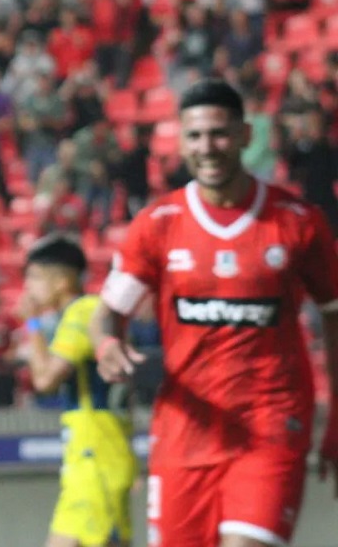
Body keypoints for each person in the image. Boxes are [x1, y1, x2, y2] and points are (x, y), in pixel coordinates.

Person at [92, 79, 338, 547]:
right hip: (185, 433)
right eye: (195, 136)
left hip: (269, 424)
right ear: (181, 141)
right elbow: (108, 312)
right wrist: (107, 343)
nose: (208, 147)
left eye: (220, 134)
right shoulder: (158, 224)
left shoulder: (298, 221)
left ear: (246, 135)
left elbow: (334, 314)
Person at [20, 234, 135, 547]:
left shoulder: (83, 312)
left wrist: (31, 326)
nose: (27, 287)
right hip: (89, 457)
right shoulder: (79, 314)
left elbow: (45, 381)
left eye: (34, 277)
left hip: (97, 454)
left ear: (61, 280)